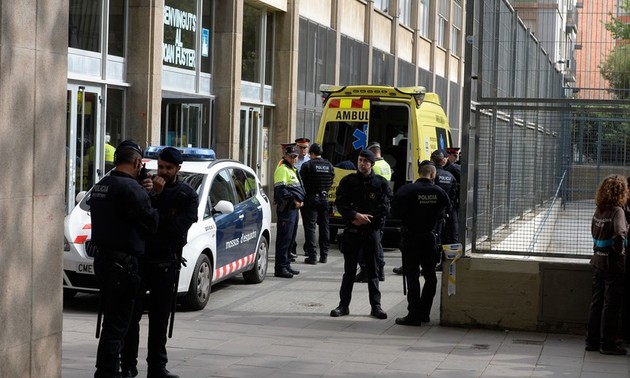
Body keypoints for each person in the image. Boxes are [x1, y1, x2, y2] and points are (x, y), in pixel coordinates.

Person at [120, 147, 199, 378]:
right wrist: (148, 195)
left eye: (168, 168)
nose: (162, 172)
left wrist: (156, 198)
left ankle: (157, 367)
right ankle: (128, 366)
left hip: (165, 263)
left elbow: (175, 230)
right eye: (160, 166)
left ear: (178, 169)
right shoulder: (144, 188)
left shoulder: (187, 195)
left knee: (159, 319)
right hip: (140, 260)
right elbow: (137, 221)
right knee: (131, 317)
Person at [90, 140, 159, 378]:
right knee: (117, 325)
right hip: (123, 265)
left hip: (104, 260)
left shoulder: (102, 184)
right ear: (138, 163)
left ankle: (109, 370)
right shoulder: (132, 190)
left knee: (111, 320)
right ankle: (108, 373)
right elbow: (151, 224)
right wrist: (151, 194)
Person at [330, 149, 392, 320]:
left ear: (372, 164)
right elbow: (340, 204)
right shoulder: (348, 181)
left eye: (366, 161)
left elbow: (385, 208)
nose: (362, 163)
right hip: (352, 230)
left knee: (373, 271)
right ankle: (343, 306)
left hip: (371, 231)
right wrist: (355, 216)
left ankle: (376, 306)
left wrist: (366, 219)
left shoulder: (380, 183)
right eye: (360, 160)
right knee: (349, 271)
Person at [391, 161, 451, 326]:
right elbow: (447, 212)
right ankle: (424, 312)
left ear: (419, 173)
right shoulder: (439, 192)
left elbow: (394, 212)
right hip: (430, 238)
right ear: (433, 175)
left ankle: (413, 314)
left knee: (412, 276)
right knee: (430, 276)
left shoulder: (407, 190)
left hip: (411, 238)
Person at [586, 175, 628, 355]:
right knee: (611, 305)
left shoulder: (599, 210)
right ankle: (607, 344)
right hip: (612, 266)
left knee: (597, 303)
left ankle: (591, 341)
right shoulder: (617, 211)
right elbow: (619, 234)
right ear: (621, 192)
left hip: (597, 262)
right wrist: (620, 252)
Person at [356, 142, 391, 282]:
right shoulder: (387, 165)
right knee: (378, 243)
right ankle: (380, 269)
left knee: (370, 244)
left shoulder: (376, 170)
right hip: (380, 209)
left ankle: (368, 269)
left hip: (371, 209)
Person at [299, 143, 335, 264]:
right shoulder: (329, 165)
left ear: (311, 153)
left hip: (311, 199)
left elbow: (301, 182)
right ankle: (324, 256)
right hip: (324, 199)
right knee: (325, 227)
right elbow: (331, 181)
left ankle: (312, 256)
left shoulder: (307, 165)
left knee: (310, 228)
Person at [274, 144, 305, 278]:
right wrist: (294, 200)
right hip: (286, 209)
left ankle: (286, 264)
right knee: (284, 239)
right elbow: (281, 190)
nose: (294, 159)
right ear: (286, 156)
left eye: (296, 156)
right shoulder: (283, 169)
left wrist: (301, 199)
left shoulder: (292, 169)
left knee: (290, 239)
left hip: (293, 209)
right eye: (291, 156)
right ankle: (280, 268)